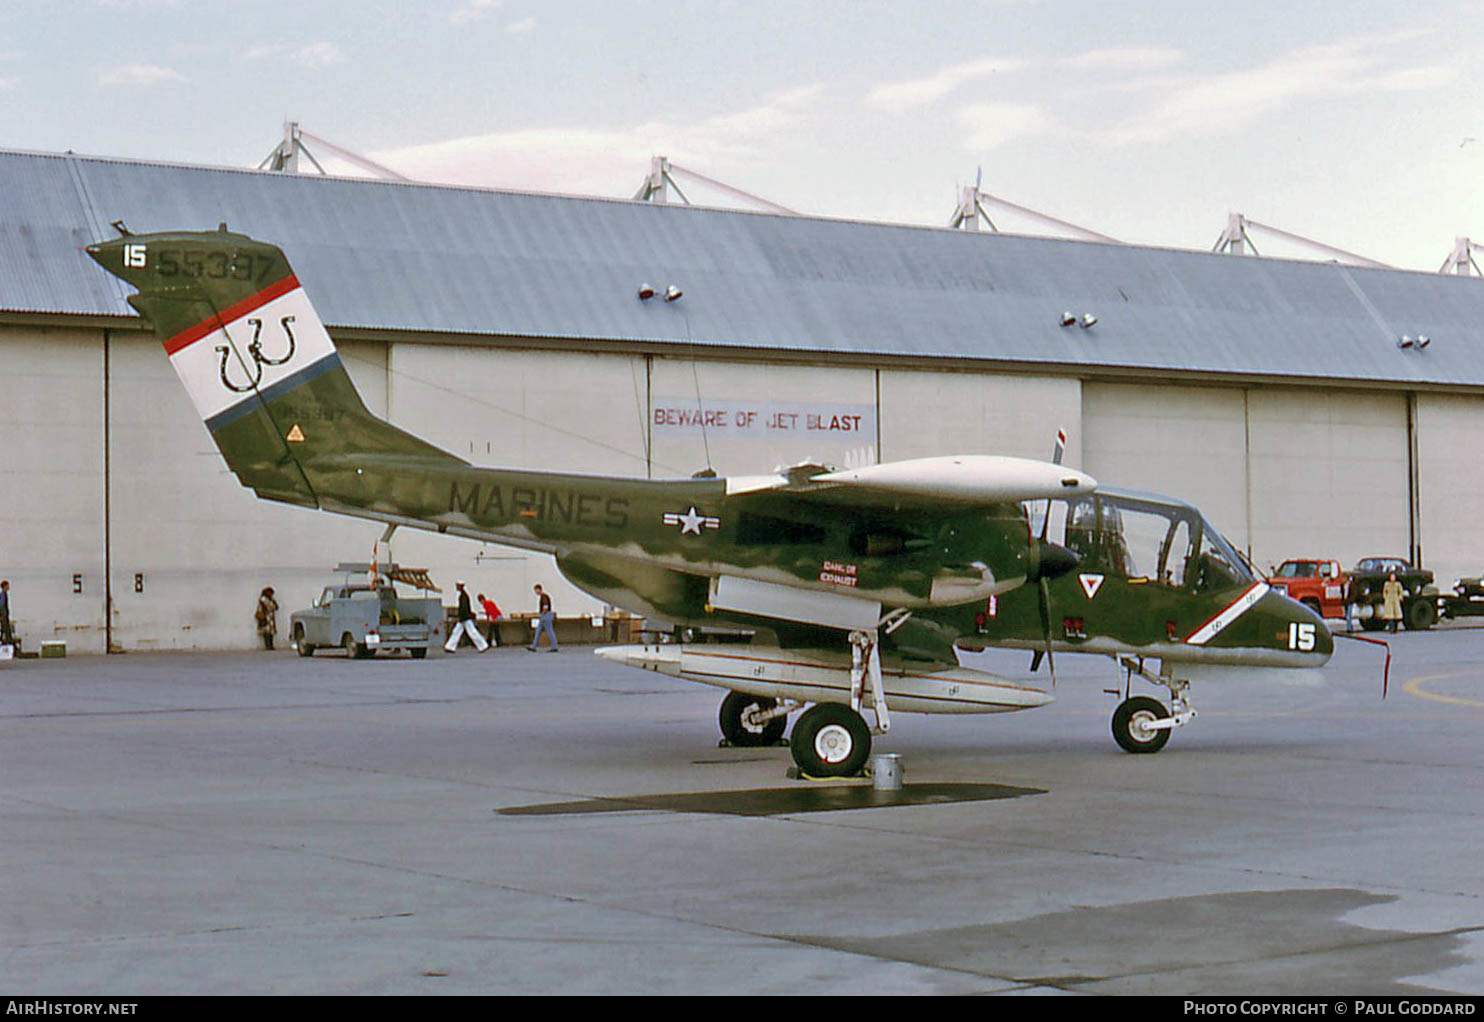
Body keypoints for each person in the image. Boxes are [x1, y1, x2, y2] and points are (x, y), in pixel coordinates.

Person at [445, 581, 489, 653]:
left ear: (460, 586)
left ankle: (483, 645)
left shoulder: (463, 596)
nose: (456, 587)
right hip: (465, 617)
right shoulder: (464, 595)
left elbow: (464, 608)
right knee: (458, 632)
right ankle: (450, 647)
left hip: (464, 618)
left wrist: (461, 617)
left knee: (470, 632)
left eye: (457, 586)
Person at [529, 583, 558, 652]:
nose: (536, 592)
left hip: (545, 615)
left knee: (549, 631)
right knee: (539, 630)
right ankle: (534, 646)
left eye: (536, 590)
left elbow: (545, 607)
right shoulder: (545, 596)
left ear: (539, 589)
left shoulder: (544, 597)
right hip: (547, 615)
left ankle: (554, 646)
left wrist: (542, 614)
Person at [0, 580, 13, 645]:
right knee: (6, 629)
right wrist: (3, 615)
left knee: (3, 630)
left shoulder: (4, 593)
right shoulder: (3, 594)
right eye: (8, 585)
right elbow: (2, 605)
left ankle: (4, 641)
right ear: (5, 586)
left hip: (3, 615)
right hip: (3, 615)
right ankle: (9, 643)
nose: (9, 587)